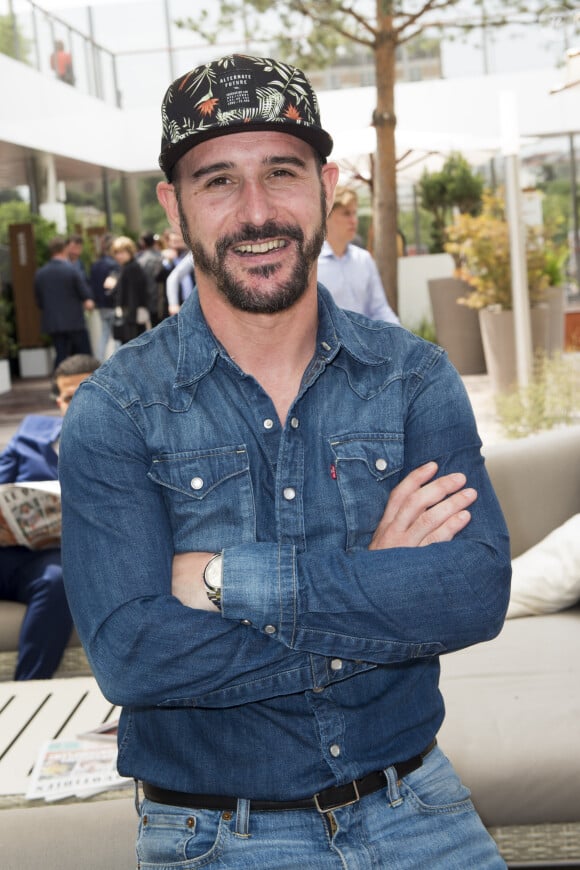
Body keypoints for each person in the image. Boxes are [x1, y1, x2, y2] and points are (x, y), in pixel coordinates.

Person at [60, 54, 510, 869]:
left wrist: (233, 581)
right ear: (174, 204)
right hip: (215, 834)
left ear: (328, 183)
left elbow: (474, 592)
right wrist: (377, 585)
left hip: (419, 806)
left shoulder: (413, 381)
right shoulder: (113, 411)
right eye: (218, 181)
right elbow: (132, 655)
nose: (257, 211)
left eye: (282, 172)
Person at [0, 354, 100, 680]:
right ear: (58, 402)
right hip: (7, 552)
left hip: (49, 562)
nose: (77, 403)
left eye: (88, 390)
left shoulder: (127, 446)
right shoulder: (29, 436)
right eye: (69, 397)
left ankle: (26, 690)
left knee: (57, 581)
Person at [318, 185, 399, 323]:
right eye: (346, 213)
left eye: (354, 213)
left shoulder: (364, 259)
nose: (354, 220)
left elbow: (379, 309)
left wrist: (400, 337)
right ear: (327, 216)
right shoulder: (312, 264)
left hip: (365, 342)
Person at [34, 236, 94, 368]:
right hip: (75, 322)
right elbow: (86, 296)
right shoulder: (72, 270)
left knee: (61, 355)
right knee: (83, 356)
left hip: (53, 323)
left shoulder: (40, 273)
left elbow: (39, 301)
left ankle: (58, 384)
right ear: (64, 249)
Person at [107, 236, 150, 344]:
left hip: (131, 319)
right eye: (116, 253)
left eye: (122, 252)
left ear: (130, 252)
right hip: (131, 317)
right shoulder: (127, 267)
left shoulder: (131, 268)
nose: (119, 256)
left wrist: (130, 321)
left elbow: (133, 296)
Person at [89, 233, 119, 360]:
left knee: (105, 334)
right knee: (117, 335)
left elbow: (92, 285)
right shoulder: (114, 264)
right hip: (113, 304)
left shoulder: (95, 265)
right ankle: (117, 361)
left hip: (101, 305)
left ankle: (99, 359)